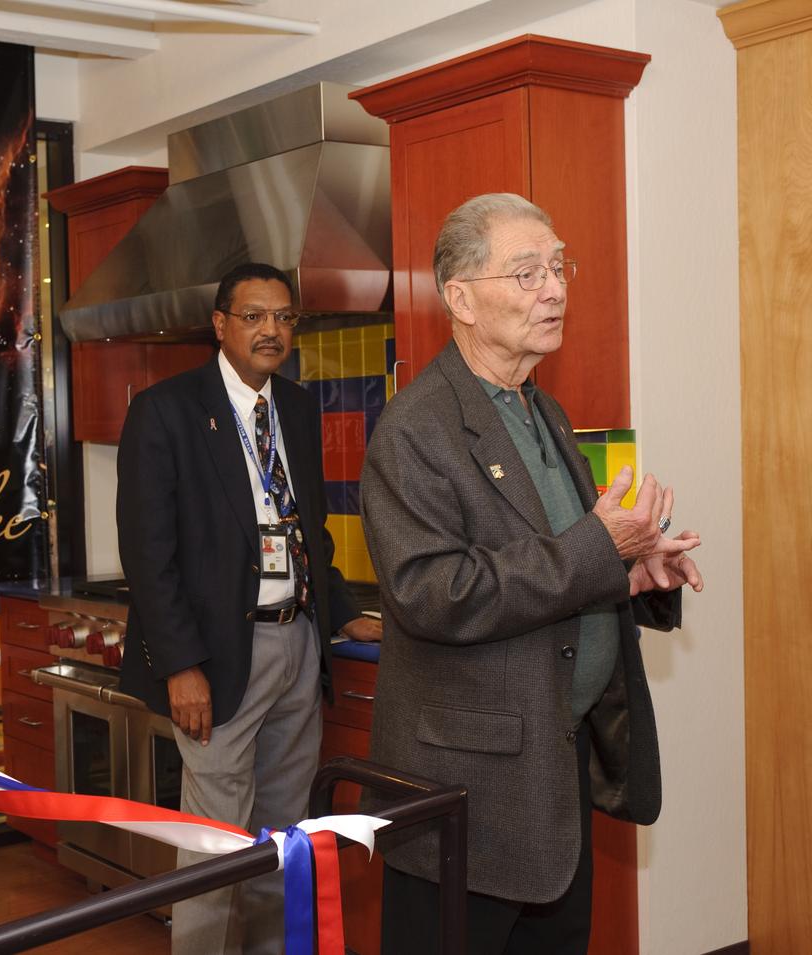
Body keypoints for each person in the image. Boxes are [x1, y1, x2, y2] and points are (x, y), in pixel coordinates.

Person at [360, 193, 704, 954]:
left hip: (552, 776)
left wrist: (635, 573)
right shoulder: (415, 429)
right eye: (525, 273)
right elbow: (433, 594)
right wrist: (597, 548)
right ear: (460, 298)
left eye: (557, 266)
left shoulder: (541, 411)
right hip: (468, 801)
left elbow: (566, 566)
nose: (554, 288)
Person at [117, 261, 381, 955]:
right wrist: (181, 665)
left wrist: (343, 608)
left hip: (299, 644)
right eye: (256, 315)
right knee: (214, 847)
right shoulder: (166, 409)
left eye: (284, 317)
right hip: (216, 656)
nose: (272, 330)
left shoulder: (294, 406)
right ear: (221, 324)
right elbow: (148, 554)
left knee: (281, 835)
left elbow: (309, 529)